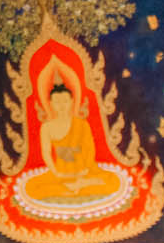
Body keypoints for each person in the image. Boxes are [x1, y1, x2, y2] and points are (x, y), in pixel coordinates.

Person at [24, 63, 121, 203]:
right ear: (50, 103)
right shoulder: (46, 127)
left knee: (114, 182)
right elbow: (46, 153)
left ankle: (77, 186)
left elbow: (90, 150)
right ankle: (75, 187)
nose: (61, 106)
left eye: (65, 101)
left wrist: (84, 172)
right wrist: (56, 172)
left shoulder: (82, 124)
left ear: (71, 101)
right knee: (31, 187)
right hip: (61, 172)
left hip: (84, 171)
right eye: (57, 102)